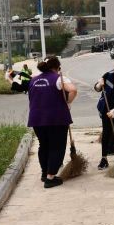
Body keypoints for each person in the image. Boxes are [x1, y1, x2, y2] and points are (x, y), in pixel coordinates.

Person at [27, 56, 77, 188]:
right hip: (56, 119)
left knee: (44, 145)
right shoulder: (59, 79)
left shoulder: (33, 80)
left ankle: (45, 174)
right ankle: (50, 178)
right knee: (57, 147)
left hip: (36, 119)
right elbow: (73, 90)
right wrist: (67, 103)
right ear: (57, 67)